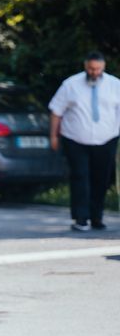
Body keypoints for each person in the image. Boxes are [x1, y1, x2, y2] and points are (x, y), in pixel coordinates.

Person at [49, 51, 120, 231]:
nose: (94, 72)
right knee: (80, 176)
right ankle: (81, 218)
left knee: (101, 179)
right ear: (85, 66)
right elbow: (57, 111)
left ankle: (97, 217)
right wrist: (54, 136)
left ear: (103, 67)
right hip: (75, 139)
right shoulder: (70, 85)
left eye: (97, 69)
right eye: (91, 68)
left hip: (107, 139)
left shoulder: (115, 85)